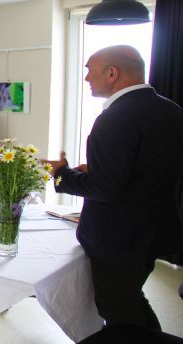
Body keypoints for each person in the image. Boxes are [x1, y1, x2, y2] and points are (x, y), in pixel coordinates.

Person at [44, 45, 183, 331]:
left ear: (111, 73)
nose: (86, 79)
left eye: (88, 70)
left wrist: (61, 174)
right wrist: (98, 169)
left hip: (119, 237)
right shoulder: (171, 110)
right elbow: (149, 168)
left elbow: (104, 189)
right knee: (132, 300)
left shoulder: (115, 118)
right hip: (153, 229)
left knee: (119, 312)